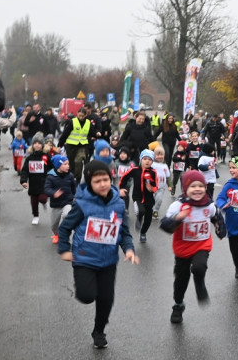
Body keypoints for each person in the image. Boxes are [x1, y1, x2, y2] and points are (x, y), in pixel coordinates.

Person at [58, 160, 138, 349]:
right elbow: (65, 228)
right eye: (97, 181)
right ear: (89, 183)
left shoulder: (118, 205)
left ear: (111, 179)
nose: (102, 184)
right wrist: (64, 249)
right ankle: (83, 285)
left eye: (105, 179)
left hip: (108, 261)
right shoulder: (82, 205)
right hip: (84, 258)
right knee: (86, 295)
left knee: (106, 299)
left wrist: (129, 249)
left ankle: (99, 331)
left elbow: (124, 232)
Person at [161, 170, 220, 323]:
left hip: (202, 245)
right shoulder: (178, 206)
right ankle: (178, 305)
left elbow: (216, 216)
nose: (197, 189)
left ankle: (200, 284)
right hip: (183, 249)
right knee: (181, 280)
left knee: (199, 267)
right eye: (193, 186)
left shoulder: (208, 204)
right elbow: (165, 225)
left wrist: (220, 229)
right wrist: (178, 218)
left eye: (201, 186)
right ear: (185, 188)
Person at [120, 149, 159, 242]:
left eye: (150, 159)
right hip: (137, 197)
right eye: (145, 159)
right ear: (141, 160)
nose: (147, 161)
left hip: (149, 199)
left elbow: (156, 186)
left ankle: (143, 233)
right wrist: (122, 187)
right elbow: (124, 177)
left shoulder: (153, 172)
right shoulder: (135, 170)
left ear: (152, 161)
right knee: (141, 211)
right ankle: (139, 218)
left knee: (148, 219)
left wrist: (152, 188)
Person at [44, 154, 77, 244]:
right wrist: (53, 193)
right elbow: (47, 189)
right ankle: (56, 234)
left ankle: (64, 234)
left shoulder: (70, 176)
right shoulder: (51, 176)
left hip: (68, 202)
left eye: (68, 164)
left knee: (66, 214)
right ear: (58, 165)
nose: (68, 166)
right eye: (65, 164)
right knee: (53, 225)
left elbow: (74, 188)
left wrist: (75, 196)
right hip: (56, 204)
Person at [58, 107, 96, 182]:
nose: (81, 117)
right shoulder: (72, 122)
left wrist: (97, 134)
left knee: (78, 161)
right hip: (71, 146)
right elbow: (65, 134)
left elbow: (92, 133)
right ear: (77, 114)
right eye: (79, 115)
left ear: (85, 115)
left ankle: (77, 178)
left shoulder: (88, 123)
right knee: (71, 163)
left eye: (82, 116)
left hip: (82, 146)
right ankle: (71, 177)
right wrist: (60, 145)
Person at [20, 134, 50, 225]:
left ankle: (44, 202)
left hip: (44, 183)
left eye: (39, 143)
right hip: (33, 183)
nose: (37, 145)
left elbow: (52, 168)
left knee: (42, 198)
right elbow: (24, 171)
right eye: (35, 143)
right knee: (34, 202)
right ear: (32, 145)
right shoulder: (29, 158)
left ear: (43, 145)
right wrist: (24, 181)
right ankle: (35, 216)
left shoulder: (46, 156)